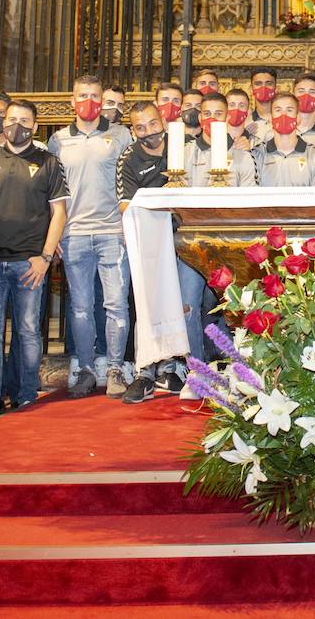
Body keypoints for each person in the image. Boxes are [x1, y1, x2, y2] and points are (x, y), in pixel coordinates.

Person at [0, 99, 68, 420]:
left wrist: (45, 258)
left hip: (29, 264)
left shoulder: (48, 162)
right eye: (11, 119)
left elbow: (59, 213)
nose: (16, 126)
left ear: (35, 127)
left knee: (28, 333)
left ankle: (26, 399)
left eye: (24, 121)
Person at [48, 74, 134, 398]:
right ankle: (85, 368)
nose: (89, 101)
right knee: (81, 307)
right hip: (74, 234)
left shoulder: (121, 135)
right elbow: (52, 193)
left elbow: (131, 183)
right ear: (72, 101)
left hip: (113, 232)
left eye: (94, 95)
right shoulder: (57, 141)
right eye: (82, 95)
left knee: (116, 304)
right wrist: (53, 234)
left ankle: (114, 368)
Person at [116, 101, 200, 402]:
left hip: (186, 236)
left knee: (183, 304)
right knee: (149, 305)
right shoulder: (129, 159)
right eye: (140, 127)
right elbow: (127, 207)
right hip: (151, 239)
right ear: (132, 129)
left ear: (162, 120)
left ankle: (178, 367)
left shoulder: (184, 146)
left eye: (153, 124)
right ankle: (146, 371)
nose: (149, 132)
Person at [254, 92, 315, 186]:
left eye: (289, 110)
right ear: (270, 118)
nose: (283, 115)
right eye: (278, 110)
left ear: (298, 118)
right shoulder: (257, 155)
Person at [188, 92, 257, 186]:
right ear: (200, 118)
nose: (212, 118)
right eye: (207, 113)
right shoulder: (186, 152)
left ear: (227, 118)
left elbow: (248, 196)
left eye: (218, 114)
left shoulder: (242, 155)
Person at [248, 67, 278, 142]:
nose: (263, 88)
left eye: (269, 83)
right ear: (251, 89)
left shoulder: (286, 119)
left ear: (276, 89)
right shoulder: (246, 122)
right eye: (258, 84)